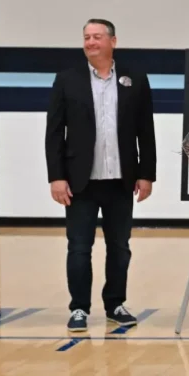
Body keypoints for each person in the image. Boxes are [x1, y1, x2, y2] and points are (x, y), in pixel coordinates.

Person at [45, 19, 156, 334]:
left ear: (113, 41)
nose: (90, 42)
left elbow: (145, 131)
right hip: (79, 182)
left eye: (96, 36)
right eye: (86, 37)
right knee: (79, 248)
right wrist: (56, 176)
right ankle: (79, 308)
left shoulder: (134, 79)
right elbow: (54, 132)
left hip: (121, 181)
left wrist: (146, 174)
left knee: (119, 247)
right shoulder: (67, 80)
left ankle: (115, 305)